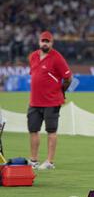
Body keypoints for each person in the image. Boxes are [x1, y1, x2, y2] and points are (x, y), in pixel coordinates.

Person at [27, 31, 73, 170]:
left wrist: (61, 91)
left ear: (52, 43)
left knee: (51, 131)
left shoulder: (57, 57)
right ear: (39, 42)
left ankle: (49, 162)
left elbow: (68, 78)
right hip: (34, 101)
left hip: (52, 101)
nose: (45, 43)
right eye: (43, 41)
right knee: (33, 130)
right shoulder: (33, 56)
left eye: (47, 41)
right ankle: (34, 160)